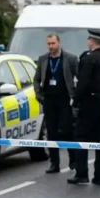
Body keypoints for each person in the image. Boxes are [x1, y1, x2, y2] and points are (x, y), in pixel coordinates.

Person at [68, 30, 100, 186]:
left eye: (89, 38)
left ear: (92, 41)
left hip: (90, 104)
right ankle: (99, 176)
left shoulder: (88, 59)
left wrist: (75, 101)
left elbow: (83, 84)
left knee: (81, 138)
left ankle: (82, 174)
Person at [33, 33, 78, 173]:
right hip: (49, 100)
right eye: (49, 44)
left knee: (67, 131)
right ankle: (54, 163)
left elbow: (79, 77)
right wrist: (39, 94)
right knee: (51, 132)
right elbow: (36, 79)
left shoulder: (70, 59)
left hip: (65, 100)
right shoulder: (43, 60)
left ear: (59, 43)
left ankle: (73, 159)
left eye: (53, 43)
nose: (51, 46)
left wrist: (75, 96)